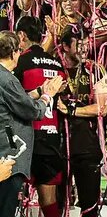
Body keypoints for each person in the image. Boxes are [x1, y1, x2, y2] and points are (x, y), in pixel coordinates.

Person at [0, 30, 62, 217]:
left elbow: (15, 102)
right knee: (6, 209)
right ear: (13, 52)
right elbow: (32, 111)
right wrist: (47, 96)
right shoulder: (7, 79)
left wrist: (38, 91)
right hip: (9, 156)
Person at [54, 27, 107, 217]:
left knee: (90, 208)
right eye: (79, 44)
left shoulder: (95, 69)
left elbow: (102, 108)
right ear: (65, 46)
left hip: (87, 147)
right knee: (58, 205)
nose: (84, 48)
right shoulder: (55, 69)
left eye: (86, 43)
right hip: (58, 147)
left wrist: (72, 110)